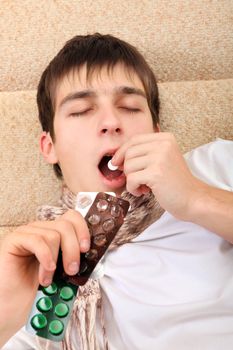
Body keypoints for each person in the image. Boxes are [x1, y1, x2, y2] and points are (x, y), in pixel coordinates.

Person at [0, 33, 233, 350]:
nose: (111, 122)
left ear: (155, 131)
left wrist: (196, 199)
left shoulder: (215, 167)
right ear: (49, 146)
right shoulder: (37, 262)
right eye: (82, 110)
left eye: (130, 106)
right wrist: (5, 315)